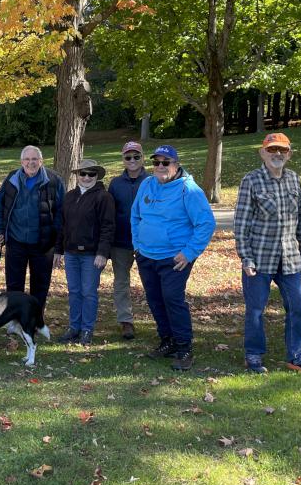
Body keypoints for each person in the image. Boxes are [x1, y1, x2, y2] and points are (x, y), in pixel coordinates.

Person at [234, 132, 301, 375]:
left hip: (290, 258)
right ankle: (253, 355)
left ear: (289, 153)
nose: (277, 154)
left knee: (299, 307)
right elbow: (242, 224)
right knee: (255, 310)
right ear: (262, 153)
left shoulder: (294, 180)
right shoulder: (251, 181)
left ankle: (297, 355)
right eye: (271, 150)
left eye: (282, 150)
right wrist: (246, 257)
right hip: (260, 259)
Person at [131, 145, 216, 371]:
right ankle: (166, 341)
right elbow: (135, 215)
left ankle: (184, 347)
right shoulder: (147, 184)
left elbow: (206, 223)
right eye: (156, 162)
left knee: (172, 299)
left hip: (174, 258)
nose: (160, 167)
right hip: (146, 255)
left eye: (165, 162)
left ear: (176, 165)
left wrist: (189, 253)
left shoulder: (189, 190)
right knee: (155, 299)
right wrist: (137, 245)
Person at [0, 145, 64, 310]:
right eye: (27, 159)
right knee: (14, 284)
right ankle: (15, 318)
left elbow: (61, 213)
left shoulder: (54, 181)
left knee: (40, 285)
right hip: (16, 241)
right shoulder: (12, 179)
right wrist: (0, 231)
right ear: (21, 162)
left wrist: (58, 244)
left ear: (41, 161)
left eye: (34, 159)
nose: (30, 163)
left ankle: (35, 319)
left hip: (43, 243)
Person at [56, 159, 115, 346]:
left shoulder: (103, 197)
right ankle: (74, 327)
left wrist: (102, 252)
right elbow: (62, 225)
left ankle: (87, 329)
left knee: (88, 292)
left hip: (92, 254)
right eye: (83, 174)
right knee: (74, 291)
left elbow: (108, 227)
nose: (87, 177)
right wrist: (59, 250)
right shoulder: (69, 196)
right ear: (77, 176)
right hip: (71, 252)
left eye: (91, 174)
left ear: (96, 176)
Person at [108, 141, 148, 339]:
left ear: (143, 158)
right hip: (120, 241)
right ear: (123, 159)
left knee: (151, 282)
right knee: (121, 282)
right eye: (128, 157)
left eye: (136, 157)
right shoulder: (115, 183)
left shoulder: (152, 180)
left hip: (147, 242)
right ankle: (126, 321)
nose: (132, 161)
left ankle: (161, 320)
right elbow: (109, 213)